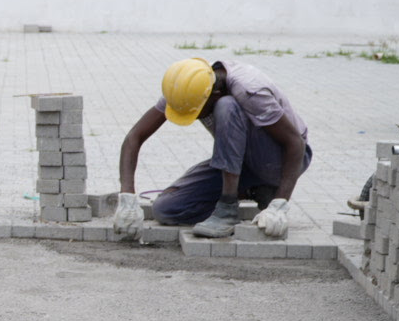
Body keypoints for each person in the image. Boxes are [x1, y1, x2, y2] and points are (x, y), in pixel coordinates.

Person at [114, 57, 311, 241]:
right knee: (166, 208)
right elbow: (134, 137)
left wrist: (280, 204)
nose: (196, 118)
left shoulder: (249, 89)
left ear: (214, 94)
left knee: (227, 107)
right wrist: (127, 198)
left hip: (280, 161)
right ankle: (255, 190)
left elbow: (296, 144)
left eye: (197, 112)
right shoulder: (187, 90)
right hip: (239, 164)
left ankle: (227, 208)